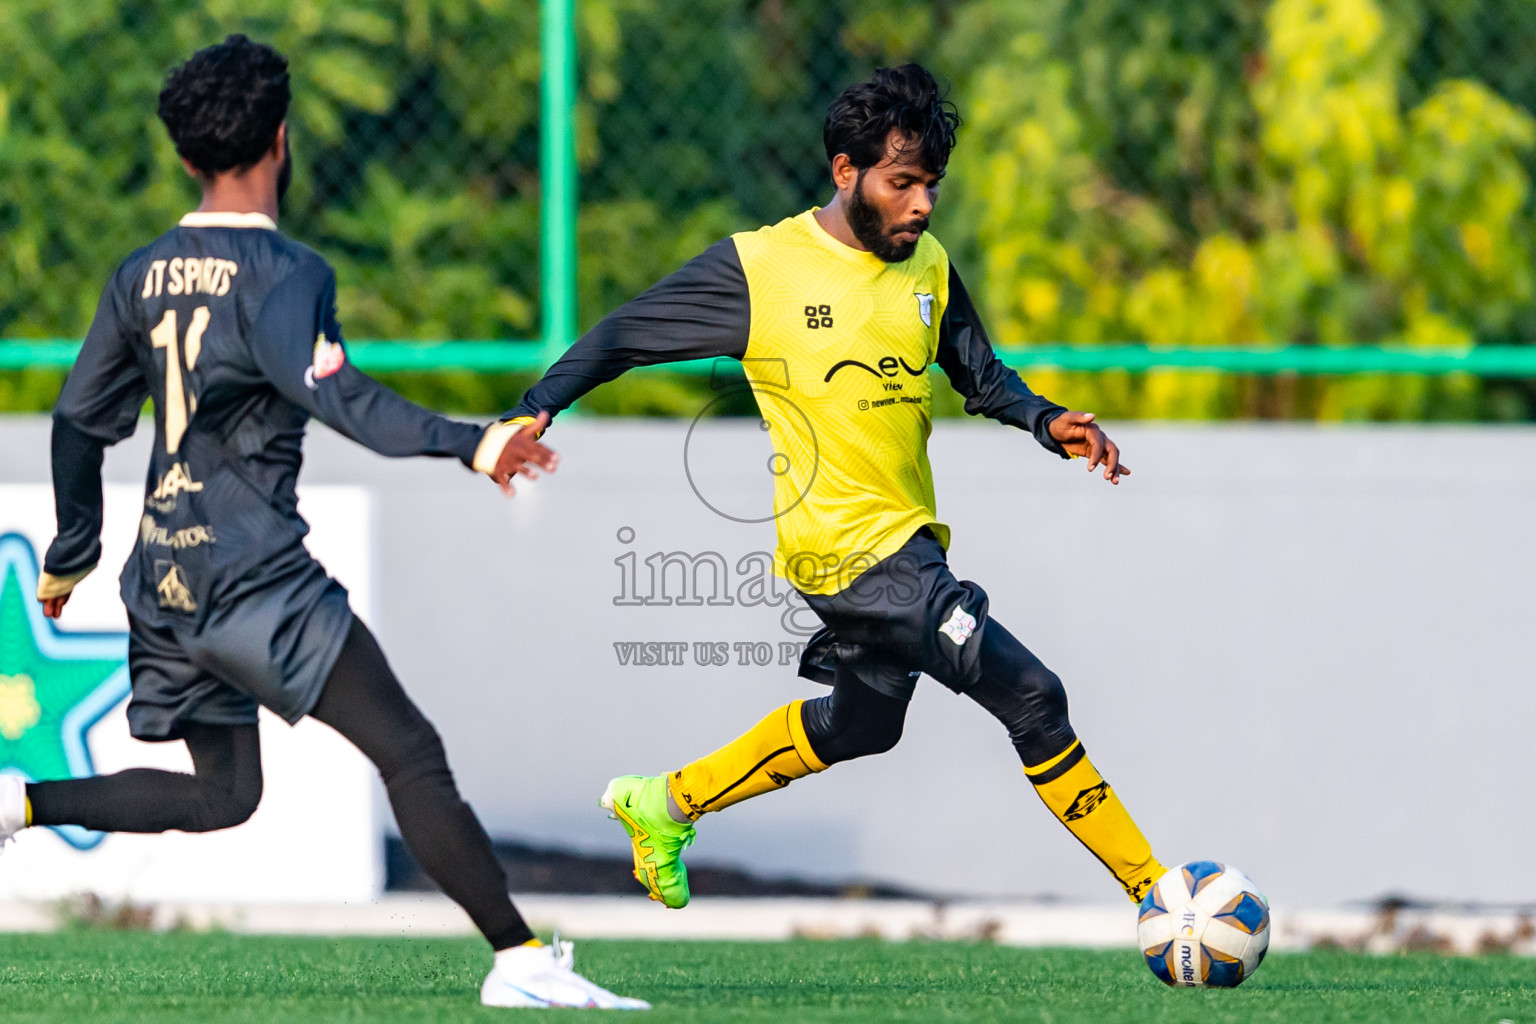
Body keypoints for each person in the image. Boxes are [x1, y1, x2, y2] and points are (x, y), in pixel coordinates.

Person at [10, 35, 646, 1011]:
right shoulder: (284, 271)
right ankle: (518, 960)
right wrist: (472, 442)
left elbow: (76, 423)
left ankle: (18, 805)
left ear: (186, 156)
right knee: (411, 753)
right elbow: (337, 396)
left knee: (226, 795)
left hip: (164, 584)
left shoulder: (139, 275)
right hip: (254, 579)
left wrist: (72, 553)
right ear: (280, 138)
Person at [492, 64, 1167, 911]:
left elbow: (981, 376)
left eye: (931, 185)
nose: (921, 204)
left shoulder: (928, 266)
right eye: (903, 182)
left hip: (906, 546)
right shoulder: (762, 269)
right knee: (1033, 695)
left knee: (863, 728)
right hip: (850, 554)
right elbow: (626, 334)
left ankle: (663, 804)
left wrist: (1046, 420)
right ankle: (1161, 894)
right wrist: (533, 410)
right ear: (846, 173)